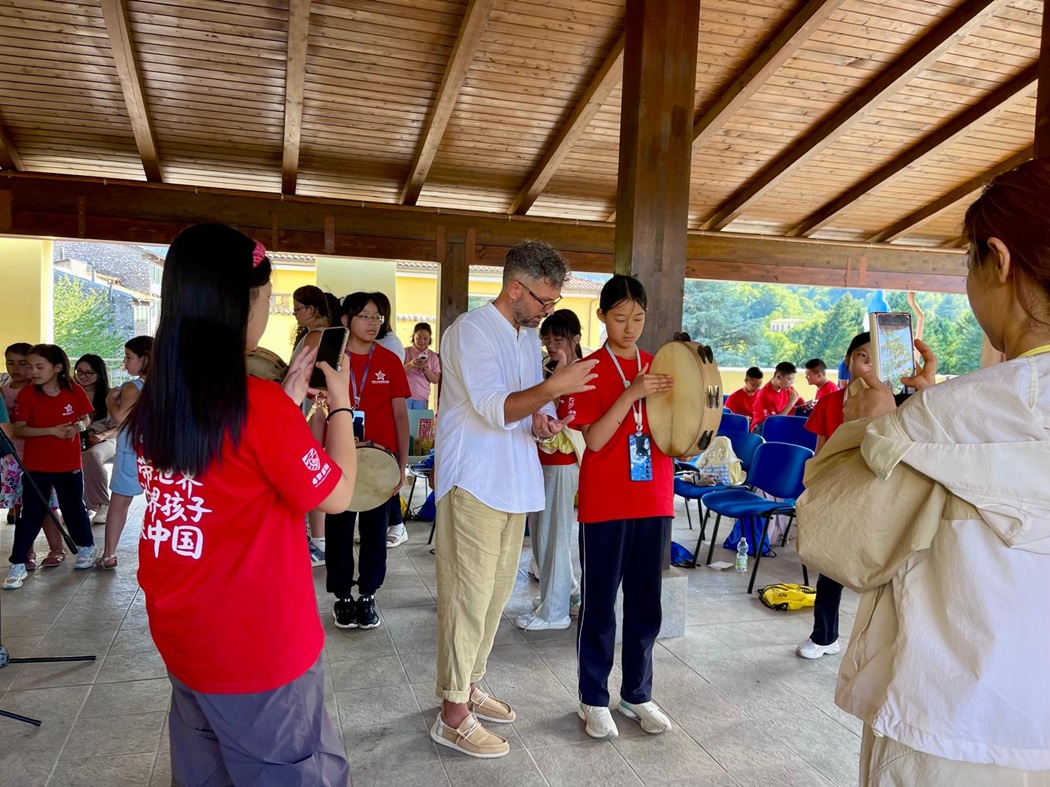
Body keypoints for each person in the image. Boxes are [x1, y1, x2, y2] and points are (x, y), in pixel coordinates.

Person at [797, 158, 1050, 784]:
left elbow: (834, 536)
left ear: (999, 258)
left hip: (952, 727)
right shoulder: (956, 409)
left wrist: (869, 427)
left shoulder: (942, 421)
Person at [127, 223, 356, 785]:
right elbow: (339, 492)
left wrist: (287, 406)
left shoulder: (158, 396)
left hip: (185, 634)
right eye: (267, 299)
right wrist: (342, 408)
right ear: (240, 306)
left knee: (206, 770)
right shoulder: (257, 406)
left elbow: (232, 474)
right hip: (258, 647)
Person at [430, 239, 597, 759]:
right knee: (467, 598)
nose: (549, 312)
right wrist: (553, 387)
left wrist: (543, 420)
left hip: (515, 480)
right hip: (475, 481)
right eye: (543, 301)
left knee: (495, 597)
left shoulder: (526, 337)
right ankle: (452, 716)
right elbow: (493, 409)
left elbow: (520, 412)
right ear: (515, 288)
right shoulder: (471, 332)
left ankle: (469, 685)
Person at [562, 275, 676, 740]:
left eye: (639, 318)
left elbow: (678, 429)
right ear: (602, 316)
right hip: (605, 502)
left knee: (647, 603)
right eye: (620, 317)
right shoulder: (589, 370)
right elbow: (594, 438)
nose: (630, 327)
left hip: (655, 497)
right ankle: (593, 698)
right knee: (600, 605)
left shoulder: (662, 366)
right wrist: (631, 394)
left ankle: (637, 692)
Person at [325, 291, 410, 631]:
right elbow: (319, 412)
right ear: (346, 320)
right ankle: (342, 596)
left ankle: (368, 594)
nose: (373, 322)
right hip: (340, 462)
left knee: (376, 534)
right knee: (339, 531)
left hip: (380, 465)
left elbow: (401, 416)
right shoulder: (331, 360)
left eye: (377, 316)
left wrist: (401, 466)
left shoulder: (389, 361)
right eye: (365, 315)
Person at [794, 333, 870, 660]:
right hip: (838, 494)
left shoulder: (897, 402)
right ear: (849, 358)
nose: (870, 365)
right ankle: (825, 636)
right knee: (831, 569)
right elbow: (820, 451)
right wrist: (817, 489)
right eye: (863, 356)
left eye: (878, 358)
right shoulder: (829, 402)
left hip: (875, 497)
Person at [3, 344, 97, 589]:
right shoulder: (27, 395)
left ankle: (86, 549)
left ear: (57, 368)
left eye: (39, 366)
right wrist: (52, 431)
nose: (32, 371)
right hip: (36, 467)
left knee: (73, 508)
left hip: (69, 465)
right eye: (30, 366)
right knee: (30, 515)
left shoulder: (73, 390)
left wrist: (77, 427)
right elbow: (20, 428)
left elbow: (86, 418)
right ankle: (17, 564)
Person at [514, 309, 585, 632]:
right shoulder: (546, 369)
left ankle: (554, 612)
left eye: (559, 339)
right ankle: (564, 595)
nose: (552, 344)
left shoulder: (582, 374)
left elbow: (577, 424)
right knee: (541, 537)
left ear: (575, 339)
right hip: (539, 462)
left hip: (562, 464)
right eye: (547, 338)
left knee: (554, 537)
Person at [95, 336, 152, 570]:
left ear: (144, 359)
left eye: (129, 357)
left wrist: (110, 400)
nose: (124, 362)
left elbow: (121, 417)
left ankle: (109, 554)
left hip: (133, 448)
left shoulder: (134, 386)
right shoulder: (168, 384)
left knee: (119, 501)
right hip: (158, 447)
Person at [291, 286, 335, 569]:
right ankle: (319, 540)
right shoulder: (329, 332)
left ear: (310, 309)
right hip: (321, 407)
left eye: (297, 308)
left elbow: (299, 373)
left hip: (313, 409)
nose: (295, 314)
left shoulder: (315, 335)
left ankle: (318, 542)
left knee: (312, 471)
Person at [74, 354, 118, 524]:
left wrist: (102, 435)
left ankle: (102, 503)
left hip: (109, 437)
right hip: (78, 438)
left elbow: (121, 426)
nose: (82, 376)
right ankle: (79, 504)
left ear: (99, 375)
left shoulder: (110, 395)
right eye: (79, 372)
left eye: (88, 373)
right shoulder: (70, 393)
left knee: (91, 455)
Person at [751, 361, 799, 433]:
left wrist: (805, 405)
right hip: (763, 427)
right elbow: (773, 422)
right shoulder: (764, 395)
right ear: (778, 376)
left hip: (782, 423)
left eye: (792, 380)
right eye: (789, 379)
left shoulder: (788, 388)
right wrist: (791, 403)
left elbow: (798, 401)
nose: (791, 383)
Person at [403, 322, 441, 411]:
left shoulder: (433, 356)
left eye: (425, 339)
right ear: (413, 337)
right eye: (418, 338)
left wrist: (425, 369)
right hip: (405, 397)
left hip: (422, 398)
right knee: (404, 424)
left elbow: (435, 380)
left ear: (430, 339)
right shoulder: (405, 352)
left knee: (419, 424)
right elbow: (396, 374)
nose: (422, 341)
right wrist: (410, 365)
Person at [292, 284, 331, 349]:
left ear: (311, 310)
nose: (294, 313)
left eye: (297, 309)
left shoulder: (314, 336)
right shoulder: (327, 333)